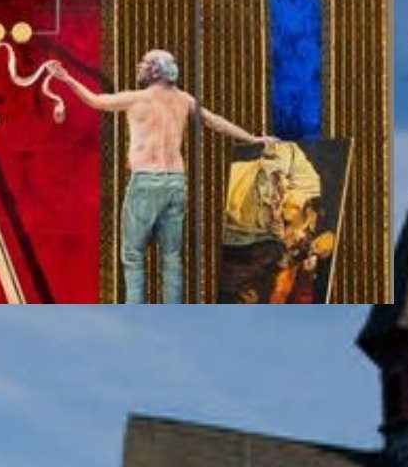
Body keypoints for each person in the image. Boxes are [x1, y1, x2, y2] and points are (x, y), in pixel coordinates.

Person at [49, 50, 269, 303]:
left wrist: (66, 78)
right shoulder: (184, 100)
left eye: (144, 62)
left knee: (133, 255)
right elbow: (215, 121)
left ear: (155, 69)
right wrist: (252, 138)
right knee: (171, 257)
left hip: (146, 182)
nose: (139, 66)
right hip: (175, 182)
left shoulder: (138, 98)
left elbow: (95, 101)